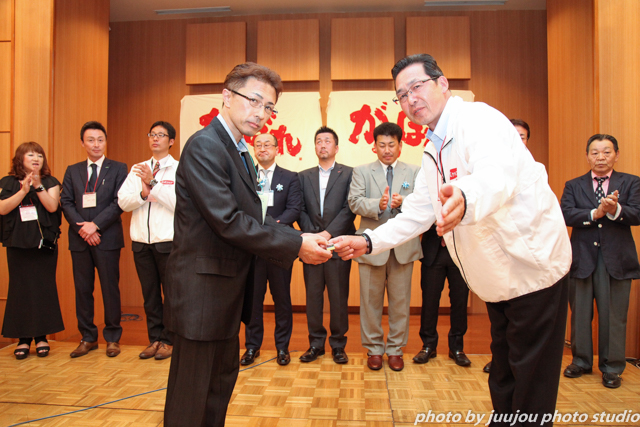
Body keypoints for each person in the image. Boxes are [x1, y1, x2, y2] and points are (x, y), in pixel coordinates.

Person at [331, 54, 571, 426]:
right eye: (401, 95)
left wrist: (465, 196)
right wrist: (369, 241)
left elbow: (496, 174)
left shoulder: (478, 120)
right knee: (504, 374)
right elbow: (417, 212)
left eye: (417, 86)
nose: (410, 99)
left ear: (442, 83)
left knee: (531, 383)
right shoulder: (433, 147)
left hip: (532, 269)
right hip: (498, 280)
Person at [162, 62, 331, 427]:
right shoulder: (206, 146)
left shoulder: (237, 150)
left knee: (216, 391)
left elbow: (251, 215)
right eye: (254, 101)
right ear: (226, 96)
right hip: (202, 294)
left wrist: (299, 236)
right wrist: (295, 244)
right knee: (191, 400)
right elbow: (228, 220)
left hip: (223, 293)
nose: (261, 113)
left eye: (269, 107)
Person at [560, 134, 640, 389]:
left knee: (614, 316)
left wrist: (615, 210)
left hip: (616, 259)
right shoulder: (574, 185)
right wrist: (596, 213)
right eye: (595, 153)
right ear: (587, 156)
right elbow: (566, 215)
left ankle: (612, 367)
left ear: (616, 155)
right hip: (582, 258)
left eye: (606, 152)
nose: (601, 157)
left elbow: (637, 213)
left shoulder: (631, 182)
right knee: (580, 314)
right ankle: (581, 361)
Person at [348, 122, 421, 371]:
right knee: (370, 303)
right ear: (374, 146)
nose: (387, 150)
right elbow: (354, 202)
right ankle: (374, 349)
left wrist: (405, 202)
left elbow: (423, 203)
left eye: (392, 145)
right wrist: (376, 205)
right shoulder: (361, 171)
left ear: (400, 146)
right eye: (382, 145)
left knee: (400, 302)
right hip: (371, 247)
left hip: (403, 247)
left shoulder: (414, 171)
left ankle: (396, 349)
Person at [61, 121, 128, 358]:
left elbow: (119, 202)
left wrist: (95, 225)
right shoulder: (73, 170)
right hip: (80, 239)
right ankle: (88, 337)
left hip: (107, 238)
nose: (96, 144)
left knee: (110, 289)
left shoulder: (118, 168)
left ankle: (112, 338)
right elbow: (66, 202)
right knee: (83, 289)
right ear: (82, 143)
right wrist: (83, 228)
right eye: (91, 140)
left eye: (100, 140)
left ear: (105, 142)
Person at [118, 121, 178, 360]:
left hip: (167, 241)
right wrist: (143, 194)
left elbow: (178, 203)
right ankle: (155, 339)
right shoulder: (138, 168)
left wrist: (153, 183)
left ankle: (169, 340)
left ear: (171, 141)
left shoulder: (178, 169)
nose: (155, 139)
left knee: (171, 295)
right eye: (152, 134)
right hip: (141, 242)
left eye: (161, 135)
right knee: (150, 295)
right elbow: (123, 202)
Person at [240, 133, 301, 367]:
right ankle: (252, 346)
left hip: (279, 246)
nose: (262, 148)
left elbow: (294, 209)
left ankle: (282, 347)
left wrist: (271, 228)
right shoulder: (246, 175)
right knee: (253, 299)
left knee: (282, 299)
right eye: (258, 145)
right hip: (253, 246)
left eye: (267, 144)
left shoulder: (290, 177)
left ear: (277, 149)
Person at [298, 126, 356, 365]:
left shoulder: (349, 173)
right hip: (312, 246)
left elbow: (349, 208)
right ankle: (315, 344)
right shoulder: (303, 176)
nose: (323, 145)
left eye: (327, 141)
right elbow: (300, 209)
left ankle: (338, 345)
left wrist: (327, 233)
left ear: (336, 147)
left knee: (339, 298)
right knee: (313, 297)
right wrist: (314, 236)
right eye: (319, 141)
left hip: (338, 245)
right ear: (315, 147)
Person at [0, 142, 64, 359]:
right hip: (17, 244)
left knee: (43, 289)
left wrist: (37, 186)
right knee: (20, 290)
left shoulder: (50, 182)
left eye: (39, 155)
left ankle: (42, 337)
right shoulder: (7, 182)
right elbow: (2, 208)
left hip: (43, 245)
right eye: (31, 155)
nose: (36, 159)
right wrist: (23, 191)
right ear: (20, 158)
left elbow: (52, 207)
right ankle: (23, 339)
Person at [483, 118, 530, 373]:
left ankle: (519, 364)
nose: (515, 140)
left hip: (525, 255)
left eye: (521, 137)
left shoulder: (534, 171)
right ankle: (501, 360)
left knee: (523, 317)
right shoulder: (488, 169)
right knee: (499, 315)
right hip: (496, 254)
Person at [415, 223, 469, 367]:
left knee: (460, 301)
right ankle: (428, 345)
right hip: (433, 249)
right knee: (429, 301)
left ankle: (457, 348)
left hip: (460, 252)